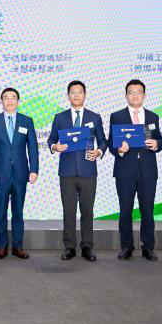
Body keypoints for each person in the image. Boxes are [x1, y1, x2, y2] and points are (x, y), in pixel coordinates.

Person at [47, 80, 107, 262]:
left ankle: (87, 247)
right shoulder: (60, 117)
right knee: (69, 210)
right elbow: (51, 139)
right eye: (72, 92)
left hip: (88, 170)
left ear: (85, 94)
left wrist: (99, 152)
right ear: (68, 95)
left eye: (79, 92)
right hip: (67, 172)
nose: (76, 95)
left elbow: (103, 141)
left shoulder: (94, 117)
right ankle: (69, 247)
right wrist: (55, 147)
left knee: (88, 210)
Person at [109, 79, 162, 261]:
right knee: (125, 210)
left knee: (147, 210)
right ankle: (127, 246)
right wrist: (119, 150)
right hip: (125, 171)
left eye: (138, 92)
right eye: (131, 92)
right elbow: (111, 143)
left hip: (148, 171)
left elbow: (160, 141)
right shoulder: (117, 116)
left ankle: (148, 247)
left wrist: (156, 144)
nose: (135, 95)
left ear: (144, 95)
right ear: (126, 95)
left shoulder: (152, 117)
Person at [0, 87, 39, 260]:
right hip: (0, 174)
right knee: (1, 212)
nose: (10, 100)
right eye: (6, 97)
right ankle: (1, 247)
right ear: (1, 101)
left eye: (13, 97)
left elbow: (33, 147)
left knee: (18, 212)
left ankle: (18, 247)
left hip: (21, 174)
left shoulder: (26, 121)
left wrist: (34, 169)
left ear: (18, 101)